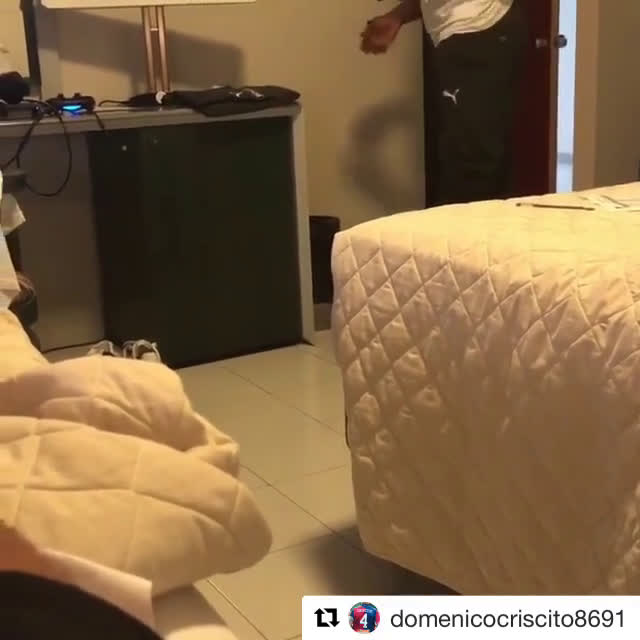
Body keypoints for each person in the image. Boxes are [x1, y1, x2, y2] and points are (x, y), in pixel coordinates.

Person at [361, 0, 528, 205]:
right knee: (462, 155)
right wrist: (398, 16)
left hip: (479, 30)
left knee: (472, 161)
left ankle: (467, 225)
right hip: (465, 34)